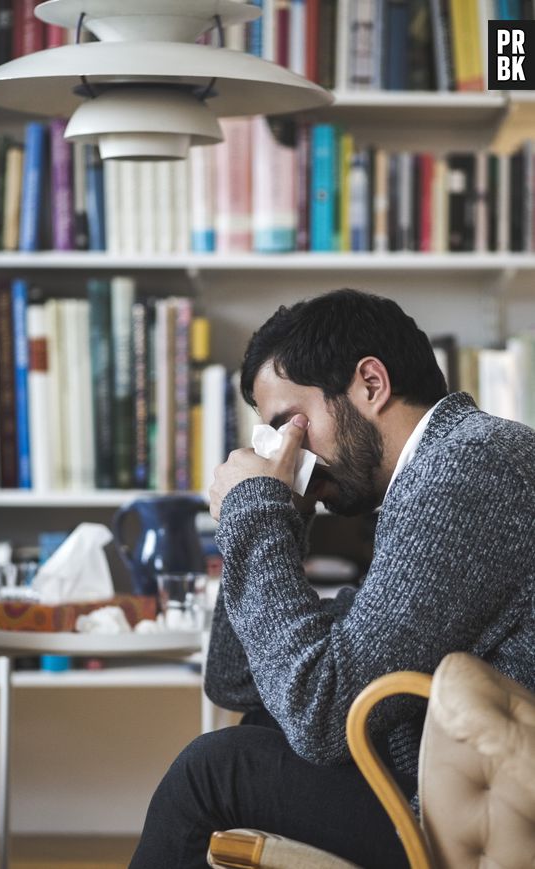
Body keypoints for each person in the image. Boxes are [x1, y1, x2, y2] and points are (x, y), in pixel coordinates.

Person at [129, 289, 535, 869]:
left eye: (290, 425)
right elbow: (237, 679)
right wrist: (278, 514)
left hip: (484, 815)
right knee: (257, 723)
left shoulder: (466, 469)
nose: (290, 452)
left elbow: (322, 717)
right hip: (435, 769)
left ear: (370, 383)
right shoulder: (443, 466)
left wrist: (254, 510)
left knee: (213, 768)